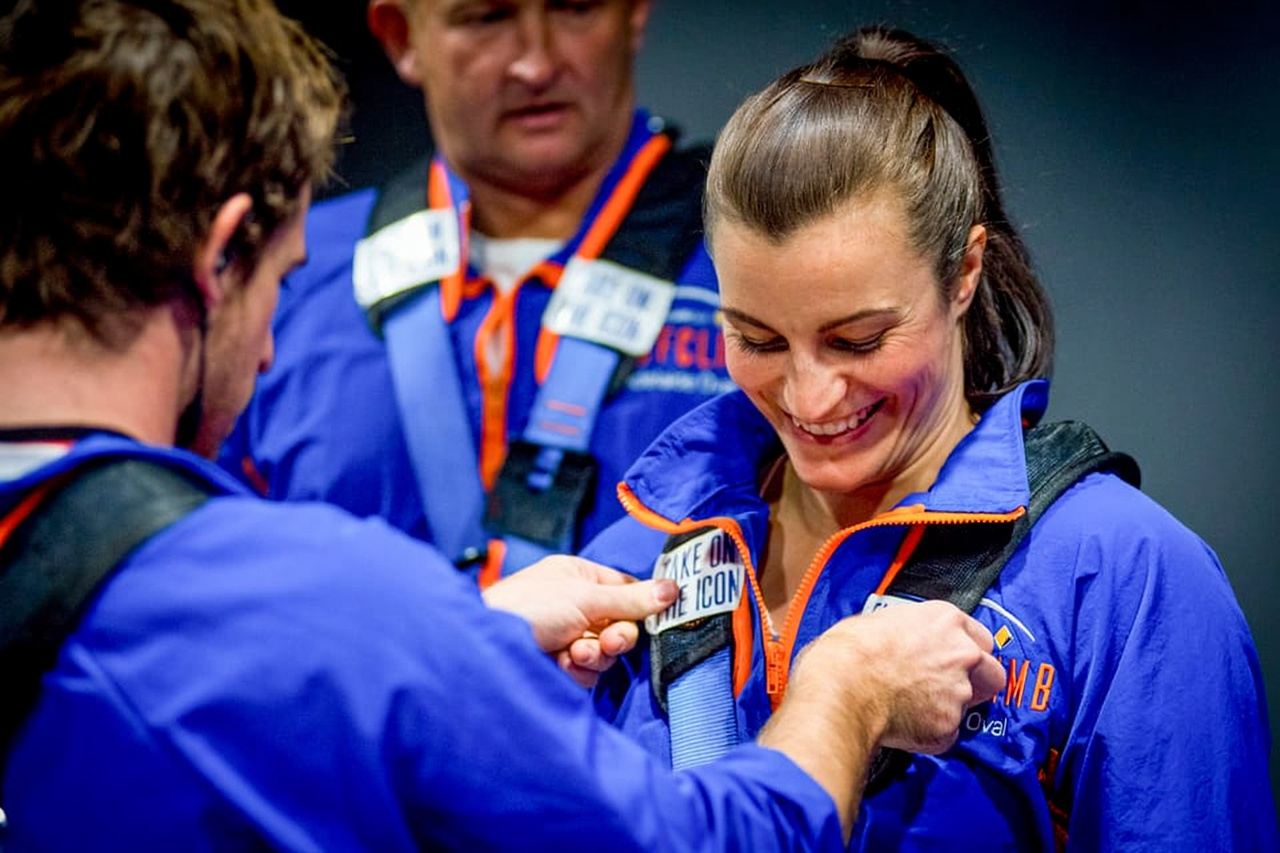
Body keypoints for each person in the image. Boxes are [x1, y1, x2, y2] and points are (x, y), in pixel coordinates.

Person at [0, 2, 1009, 847]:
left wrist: (456, 637)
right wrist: (844, 692)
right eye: (281, 281)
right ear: (218, 259)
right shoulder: (327, 599)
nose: (269, 350)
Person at [585, 26, 1278, 850]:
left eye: (859, 339)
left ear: (963, 272)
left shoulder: (1124, 582)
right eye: (757, 339)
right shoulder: (633, 563)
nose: (809, 395)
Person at [218, 0, 736, 583]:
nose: (536, 65)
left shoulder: (757, 257)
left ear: (635, 12)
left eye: (574, 8)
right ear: (400, 36)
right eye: (486, 17)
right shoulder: (282, 276)